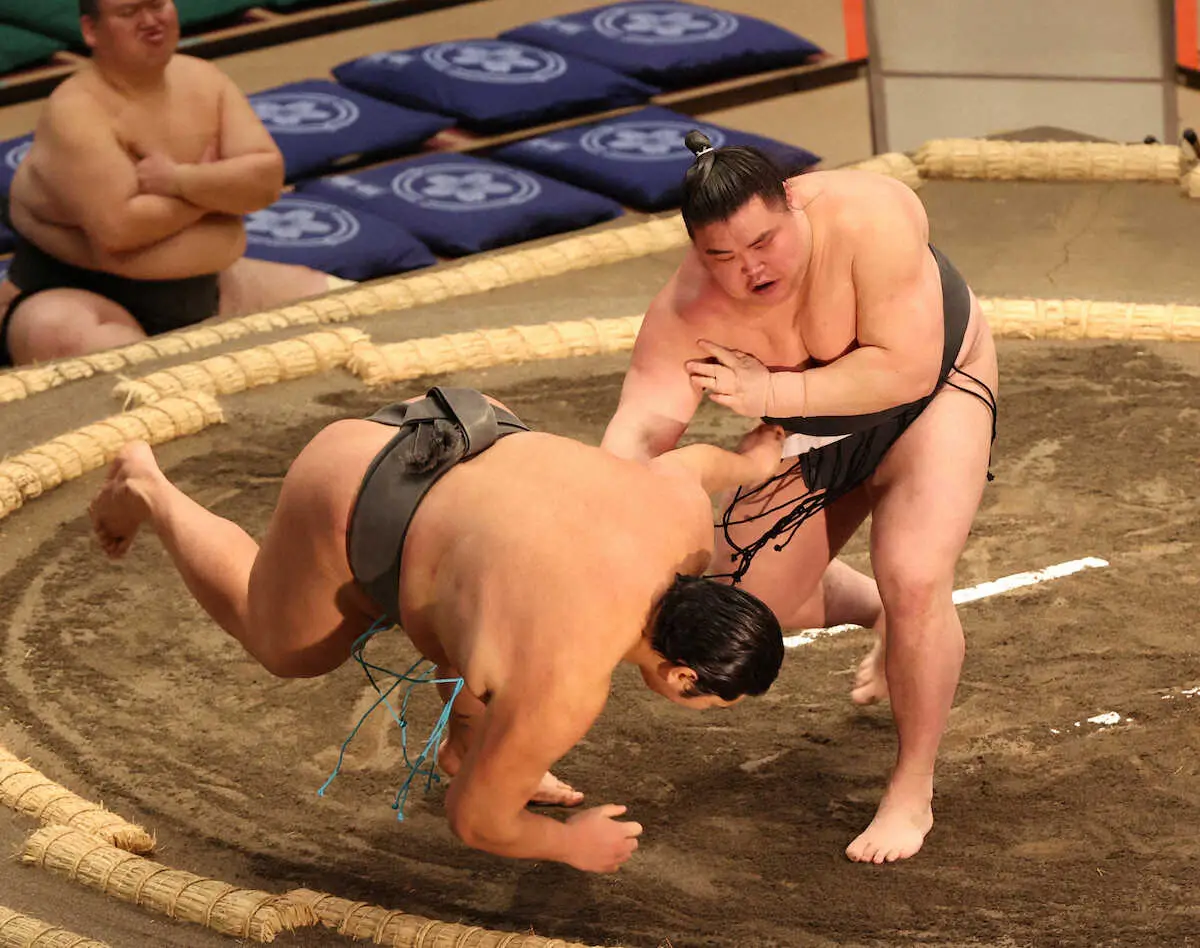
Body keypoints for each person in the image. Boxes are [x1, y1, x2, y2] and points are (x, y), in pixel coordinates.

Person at [89, 386, 788, 873]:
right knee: (283, 645)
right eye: (712, 701)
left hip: (468, 421)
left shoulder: (686, 530)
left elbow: (696, 463)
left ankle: (465, 744)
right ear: (681, 675)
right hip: (352, 490)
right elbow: (476, 820)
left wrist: (754, 464)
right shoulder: (565, 683)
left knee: (488, 624)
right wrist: (569, 845)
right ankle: (149, 486)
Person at [601, 132, 999, 865]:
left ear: (791, 200)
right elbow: (641, 430)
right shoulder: (688, 308)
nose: (750, 268)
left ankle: (912, 787)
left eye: (764, 242)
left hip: (937, 388)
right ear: (697, 251)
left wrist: (771, 392)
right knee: (742, 604)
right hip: (812, 421)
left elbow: (905, 369)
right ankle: (875, 611)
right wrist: (597, 513)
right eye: (723, 256)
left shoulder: (872, 216)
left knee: (914, 575)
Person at [0, 0, 341, 367]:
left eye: (157, 4)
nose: (150, 21)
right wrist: (219, 189)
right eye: (129, 13)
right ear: (91, 30)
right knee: (98, 353)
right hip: (74, 298)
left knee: (344, 311)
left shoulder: (204, 79)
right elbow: (122, 228)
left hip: (213, 287)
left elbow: (266, 181)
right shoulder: (75, 111)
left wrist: (179, 180)